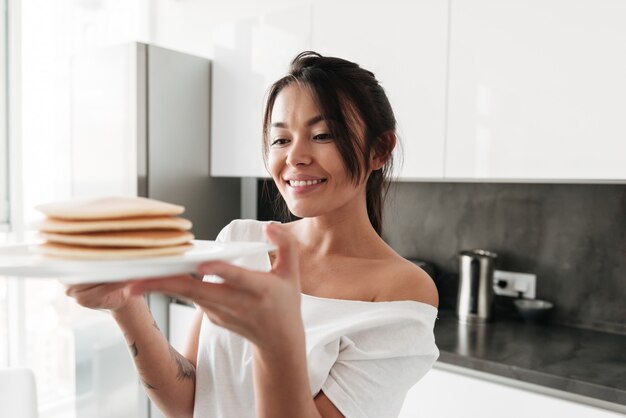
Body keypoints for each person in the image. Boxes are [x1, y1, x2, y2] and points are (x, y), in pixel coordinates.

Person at [67, 51, 439, 418]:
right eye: (280, 140)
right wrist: (126, 305)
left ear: (379, 150)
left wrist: (275, 340)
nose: (295, 157)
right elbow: (189, 401)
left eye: (323, 134)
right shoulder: (241, 241)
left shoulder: (402, 291)